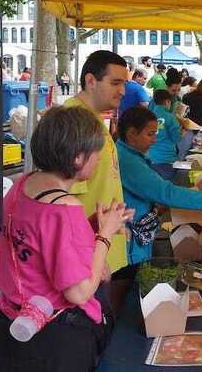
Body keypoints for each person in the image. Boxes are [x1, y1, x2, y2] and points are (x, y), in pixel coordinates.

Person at [0, 106, 133, 371]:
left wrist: (94, 224)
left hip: (12, 318)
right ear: (79, 158)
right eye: (97, 154)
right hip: (54, 335)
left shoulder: (24, 184)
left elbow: (41, 241)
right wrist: (104, 235)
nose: (99, 159)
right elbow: (78, 291)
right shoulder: (64, 208)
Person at [115, 106, 202, 299]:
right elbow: (167, 193)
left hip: (136, 238)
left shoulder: (130, 155)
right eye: (150, 134)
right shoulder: (128, 161)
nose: (155, 140)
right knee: (131, 293)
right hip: (130, 245)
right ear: (132, 133)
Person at [62, 50, 131, 310]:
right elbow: (66, 200)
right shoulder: (74, 123)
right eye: (115, 83)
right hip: (88, 257)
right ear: (91, 80)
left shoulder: (91, 119)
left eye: (125, 83)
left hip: (100, 248)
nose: (123, 91)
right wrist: (92, 254)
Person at [146, 90, 181, 180]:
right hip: (167, 159)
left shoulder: (147, 117)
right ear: (167, 102)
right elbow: (177, 138)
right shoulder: (170, 118)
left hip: (149, 158)